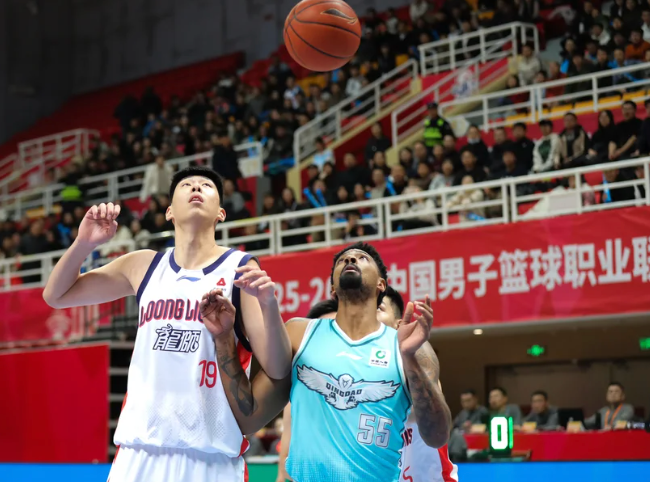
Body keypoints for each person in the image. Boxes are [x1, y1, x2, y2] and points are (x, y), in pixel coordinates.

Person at [42, 166, 292, 482]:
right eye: (186, 184)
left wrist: (269, 305)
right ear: (169, 212)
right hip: (139, 453)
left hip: (210, 456)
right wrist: (83, 244)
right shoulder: (143, 264)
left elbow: (278, 368)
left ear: (221, 213)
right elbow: (57, 295)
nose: (196, 187)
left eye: (206, 185)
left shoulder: (240, 267)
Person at [211, 242, 452, 482]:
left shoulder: (407, 346)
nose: (351, 260)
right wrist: (223, 339)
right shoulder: (298, 334)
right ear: (333, 289)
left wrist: (410, 360)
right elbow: (250, 417)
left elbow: (437, 436)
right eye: (343, 260)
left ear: (381, 284)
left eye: (362, 258)